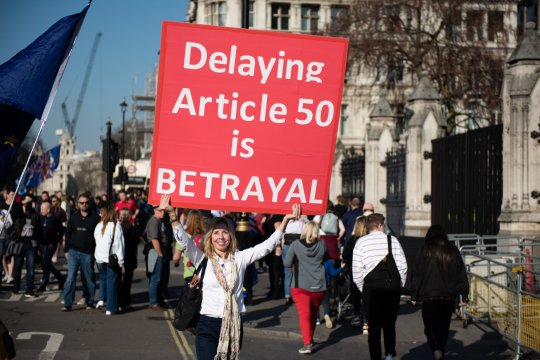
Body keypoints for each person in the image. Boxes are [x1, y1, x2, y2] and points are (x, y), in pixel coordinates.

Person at [168, 194, 301, 360]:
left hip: (233, 325)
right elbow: (184, 241)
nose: (221, 237)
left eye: (225, 232)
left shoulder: (240, 258)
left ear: (231, 236)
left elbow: (267, 246)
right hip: (206, 324)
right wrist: (173, 216)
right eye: (216, 233)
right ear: (210, 237)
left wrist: (286, 220)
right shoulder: (203, 259)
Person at [352, 213, 408, 360]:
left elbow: (357, 270)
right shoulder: (393, 240)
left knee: (374, 327)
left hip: (371, 288)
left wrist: (362, 288)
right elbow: (403, 266)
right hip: (391, 287)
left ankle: (375, 357)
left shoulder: (361, 243)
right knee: (390, 324)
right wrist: (399, 285)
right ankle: (389, 354)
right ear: (381, 225)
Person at [411, 225, 469, 360]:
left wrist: (414, 293)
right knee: (443, 328)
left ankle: (437, 353)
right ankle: (440, 352)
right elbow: (461, 273)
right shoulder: (452, 250)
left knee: (430, 328)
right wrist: (464, 294)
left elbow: (417, 273)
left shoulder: (425, 249)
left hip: (430, 295)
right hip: (448, 295)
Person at [283, 220, 327, 354]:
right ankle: (310, 338)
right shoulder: (322, 244)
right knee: (313, 314)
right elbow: (325, 258)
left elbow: (287, 263)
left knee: (304, 315)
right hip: (318, 285)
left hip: (300, 285)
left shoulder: (296, 244)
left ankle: (307, 344)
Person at [62, 194, 100, 311]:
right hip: (73, 252)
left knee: (89, 277)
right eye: (81, 203)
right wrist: (66, 250)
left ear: (89, 204)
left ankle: (89, 301)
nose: (84, 205)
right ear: (78, 204)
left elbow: (98, 237)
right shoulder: (73, 217)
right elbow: (68, 234)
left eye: (86, 203)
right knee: (70, 277)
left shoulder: (95, 218)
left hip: (88, 253)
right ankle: (68, 303)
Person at [94, 207, 125, 315]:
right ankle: (111, 308)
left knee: (103, 279)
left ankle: (101, 300)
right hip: (111, 258)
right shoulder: (116, 225)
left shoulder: (99, 225)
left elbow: (96, 240)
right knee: (112, 282)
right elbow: (119, 244)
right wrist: (121, 261)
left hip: (99, 257)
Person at [11, 194, 43, 297]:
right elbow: (13, 212)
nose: (30, 203)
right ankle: (16, 287)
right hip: (19, 243)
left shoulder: (34, 214)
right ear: (23, 202)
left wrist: (38, 244)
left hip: (30, 244)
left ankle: (30, 289)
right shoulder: (18, 211)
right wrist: (20, 205)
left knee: (31, 268)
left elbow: (38, 229)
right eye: (28, 201)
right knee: (17, 267)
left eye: (31, 202)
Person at [342, 215, 368, 331]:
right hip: (368, 270)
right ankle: (367, 318)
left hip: (355, 269)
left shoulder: (353, 239)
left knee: (355, 293)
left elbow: (345, 255)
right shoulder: (369, 240)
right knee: (367, 294)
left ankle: (357, 314)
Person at [144, 204, 171, 310]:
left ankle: (158, 300)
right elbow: (154, 240)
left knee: (159, 278)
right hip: (155, 252)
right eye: (160, 210)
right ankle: (153, 302)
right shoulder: (154, 222)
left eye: (163, 210)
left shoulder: (159, 221)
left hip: (159, 251)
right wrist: (160, 254)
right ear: (155, 210)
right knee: (155, 278)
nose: (163, 212)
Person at [37, 202, 65, 292]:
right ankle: (60, 278)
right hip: (42, 244)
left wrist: (56, 240)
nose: (41, 210)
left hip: (50, 245)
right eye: (40, 209)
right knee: (46, 264)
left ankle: (43, 284)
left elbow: (61, 231)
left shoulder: (55, 219)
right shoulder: (40, 217)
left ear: (48, 210)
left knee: (45, 262)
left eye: (42, 209)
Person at [119, 208, 139, 309]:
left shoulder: (118, 227)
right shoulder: (133, 227)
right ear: (129, 216)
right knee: (127, 279)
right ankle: (126, 300)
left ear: (121, 216)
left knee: (118, 278)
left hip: (120, 255)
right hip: (130, 255)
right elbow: (137, 241)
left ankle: (118, 299)